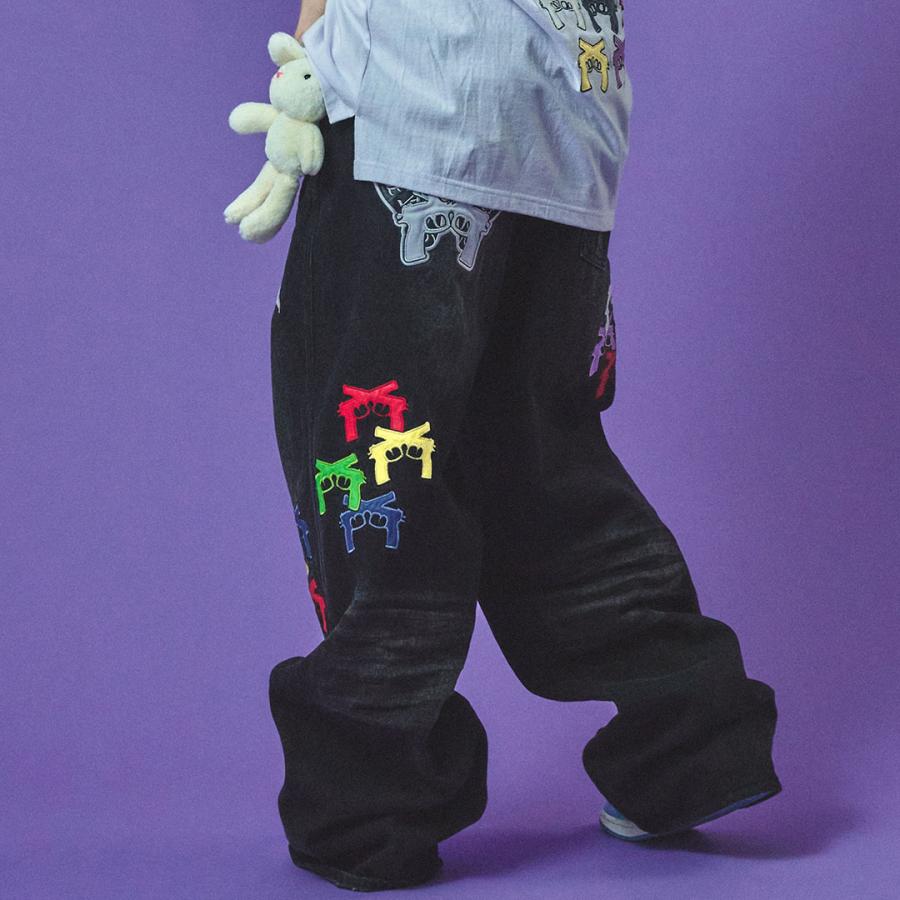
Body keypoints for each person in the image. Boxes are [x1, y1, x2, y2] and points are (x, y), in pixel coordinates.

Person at [263, 0, 782, 891]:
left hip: (414, 97)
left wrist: (310, 49)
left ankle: (367, 804)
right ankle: (689, 739)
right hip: (565, 102)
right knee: (538, 459)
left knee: (377, 467)